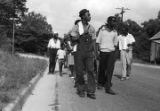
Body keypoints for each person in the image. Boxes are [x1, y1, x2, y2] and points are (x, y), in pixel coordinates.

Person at [70, 9, 97, 99]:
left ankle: (90, 91)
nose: (90, 16)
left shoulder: (92, 28)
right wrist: (81, 35)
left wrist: (95, 53)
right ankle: (81, 90)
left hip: (89, 52)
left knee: (90, 71)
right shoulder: (76, 26)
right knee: (80, 72)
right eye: (88, 15)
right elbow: (73, 38)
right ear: (82, 16)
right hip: (79, 51)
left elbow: (93, 41)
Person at [96, 16, 118, 95]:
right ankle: (100, 83)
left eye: (115, 21)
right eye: (113, 21)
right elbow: (98, 42)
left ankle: (108, 87)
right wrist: (97, 53)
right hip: (103, 51)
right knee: (102, 68)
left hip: (111, 52)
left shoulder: (115, 32)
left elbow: (115, 44)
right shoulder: (102, 30)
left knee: (110, 70)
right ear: (108, 22)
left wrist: (114, 54)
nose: (114, 23)